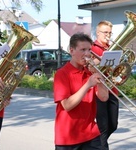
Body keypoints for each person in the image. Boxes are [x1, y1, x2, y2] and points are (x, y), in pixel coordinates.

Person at [53, 32, 109, 150]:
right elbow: (67, 105)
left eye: (89, 49)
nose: (87, 54)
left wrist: (98, 73)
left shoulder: (90, 71)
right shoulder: (62, 74)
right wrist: (88, 84)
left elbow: (104, 98)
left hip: (91, 133)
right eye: (83, 49)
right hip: (68, 136)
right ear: (72, 51)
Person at [91, 20, 119, 150]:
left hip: (113, 89)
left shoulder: (112, 48)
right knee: (103, 127)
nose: (108, 35)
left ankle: (93, 144)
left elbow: (117, 69)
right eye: (105, 32)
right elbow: (89, 67)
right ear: (98, 33)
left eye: (110, 33)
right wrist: (97, 62)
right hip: (99, 91)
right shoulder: (92, 48)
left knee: (113, 124)